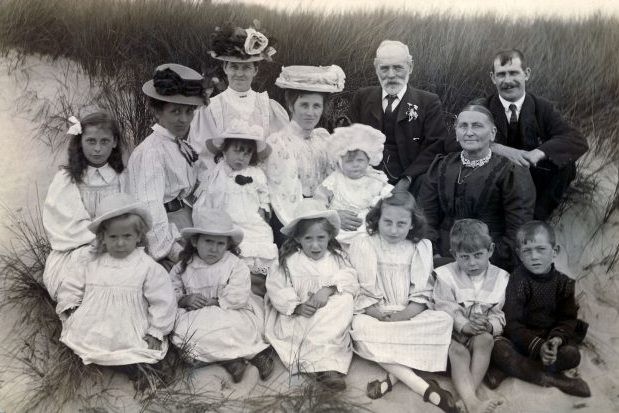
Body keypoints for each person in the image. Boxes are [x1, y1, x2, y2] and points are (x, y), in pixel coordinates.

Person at [348, 191, 456, 413]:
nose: (394, 230)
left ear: (412, 224)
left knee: (443, 320)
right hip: (375, 313)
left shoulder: (420, 246)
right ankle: (423, 387)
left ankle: (393, 377)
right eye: (387, 222)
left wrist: (402, 316)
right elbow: (361, 287)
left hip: (409, 313)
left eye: (401, 223)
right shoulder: (364, 244)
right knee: (359, 326)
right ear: (376, 219)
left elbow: (422, 293)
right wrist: (377, 314)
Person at [56, 193, 177, 373]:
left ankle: (133, 367)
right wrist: (71, 306)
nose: (120, 243)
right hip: (95, 319)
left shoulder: (146, 266)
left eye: (127, 236)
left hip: (130, 322)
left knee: (135, 347)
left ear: (138, 236)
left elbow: (163, 300)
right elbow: (72, 284)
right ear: (102, 237)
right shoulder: (91, 262)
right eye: (113, 237)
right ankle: (105, 361)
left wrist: (157, 330)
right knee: (85, 343)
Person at [418, 103, 535, 271]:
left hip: (490, 259)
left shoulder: (511, 172)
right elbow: (426, 216)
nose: (469, 132)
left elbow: (518, 228)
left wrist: (482, 262)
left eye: (477, 126)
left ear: (492, 133)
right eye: (463, 126)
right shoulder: (441, 166)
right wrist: (433, 255)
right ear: (456, 133)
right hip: (440, 257)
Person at [170, 209, 274, 383]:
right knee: (189, 333)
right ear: (195, 241)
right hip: (195, 313)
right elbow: (170, 291)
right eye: (208, 241)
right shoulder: (184, 266)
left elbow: (239, 293)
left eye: (220, 244)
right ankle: (231, 361)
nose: (214, 249)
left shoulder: (234, 264)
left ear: (228, 245)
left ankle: (255, 355)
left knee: (237, 328)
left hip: (229, 309)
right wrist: (185, 299)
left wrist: (216, 301)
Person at [488, 221, 591, 397]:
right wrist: (538, 346)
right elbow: (512, 323)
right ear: (520, 255)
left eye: (540, 249)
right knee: (499, 351)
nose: (534, 256)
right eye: (527, 251)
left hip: (549, 337)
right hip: (521, 339)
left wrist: (556, 340)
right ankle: (557, 380)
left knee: (572, 355)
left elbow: (567, 319)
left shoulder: (564, 283)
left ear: (554, 252)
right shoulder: (517, 281)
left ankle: (510, 369)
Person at [265, 199, 358, 391]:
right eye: (308, 239)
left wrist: (328, 289)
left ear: (330, 236)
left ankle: (327, 366)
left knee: (345, 300)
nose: (315, 245)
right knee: (304, 323)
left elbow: (350, 279)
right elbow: (277, 287)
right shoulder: (289, 260)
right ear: (298, 238)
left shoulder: (336, 258)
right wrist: (297, 306)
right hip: (301, 315)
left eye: (321, 238)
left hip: (328, 315)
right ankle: (323, 366)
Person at [484, 49, 588, 220]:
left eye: (514, 73)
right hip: (494, 181)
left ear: (526, 74)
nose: (508, 81)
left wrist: (538, 153)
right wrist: (502, 150)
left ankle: (536, 221)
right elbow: (456, 141)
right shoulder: (482, 107)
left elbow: (576, 139)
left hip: (533, 181)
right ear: (493, 78)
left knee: (566, 166)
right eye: (501, 74)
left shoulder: (542, 107)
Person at [126, 63, 204, 268]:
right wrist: (171, 251)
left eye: (189, 111)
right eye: (175, 111)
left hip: (186, 220)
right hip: (166, 228)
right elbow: (150, 206)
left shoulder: (179, 144)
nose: (183, 119)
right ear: (157, 111)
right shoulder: (152, 151)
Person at [349, 40, 453, 194]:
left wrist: (407, 180)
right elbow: (349, 139)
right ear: (376, 68)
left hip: (411, 179)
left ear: (410, 67)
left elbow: (435, 146)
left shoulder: (428, 102)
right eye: (384, 68)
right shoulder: (362, 97)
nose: (391, 75)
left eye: (398, 68)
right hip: (365, 178)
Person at [188, 23, 288, 179]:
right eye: (234, 67)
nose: (239, 74)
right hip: (222, 184)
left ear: (255, 71)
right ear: (225, 68)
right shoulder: (211, 108)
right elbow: (203, 155)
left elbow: (278, 153)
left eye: (246, 68)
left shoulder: (268, 107)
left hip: (260, 183)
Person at [42, 112, 124, 301]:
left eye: (104, 141)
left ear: (114, 142)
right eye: (91, 141)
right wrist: (98, 241)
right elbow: (64, 224)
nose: (97, 149)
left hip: (118, 245)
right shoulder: (67, 179)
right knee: (81, 282)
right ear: (80, 142)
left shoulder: (122, 178)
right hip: (75, 249)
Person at [193, 120, 277, 296]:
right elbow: (208, 197)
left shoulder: (256, 174)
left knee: (263, 237)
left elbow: (264, 194)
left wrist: (264, 208)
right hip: (230, 222)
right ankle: (238, 283)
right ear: (224, 150)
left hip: (252, 220)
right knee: (236, 253)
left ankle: (258, 283)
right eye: (237, 150)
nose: (241, 157)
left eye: (247, 153)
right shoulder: (217, 173)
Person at [265, 64, 348, 241]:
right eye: (304, 105)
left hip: (324, 219)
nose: (311, 113)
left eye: (316, 106)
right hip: (291, 223)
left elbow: (334, 184)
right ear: (290, 105)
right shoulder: (278, 143)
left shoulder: (324, 140)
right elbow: (285, 197)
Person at [433, 219, 509, 413]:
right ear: (454, 254)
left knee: (485, 339)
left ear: (490, 250)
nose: (472, 262)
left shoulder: (500, 277)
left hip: (478, 336)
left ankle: (467, 398)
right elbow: (444, 306)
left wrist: (489, 325)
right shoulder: (446, 275)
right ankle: (473, 403)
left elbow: (498, 314)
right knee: (459, 353)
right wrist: (464, 325)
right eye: (464, 257)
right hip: (452, 335)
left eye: (478, 255)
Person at [314, 123, 393, 246]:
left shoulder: (376, 179)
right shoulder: (335, 179)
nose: (355, 164)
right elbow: (319, 201)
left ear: (368, 161)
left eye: (360, 160)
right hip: (339, 230)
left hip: (367, 230)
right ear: (340, 163)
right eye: (349, 161)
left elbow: (390, 199)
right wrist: (331, 215)